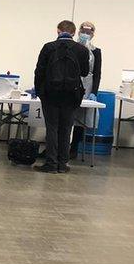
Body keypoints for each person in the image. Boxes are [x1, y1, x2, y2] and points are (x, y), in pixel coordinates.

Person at [33, 20, 90, 173]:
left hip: (51, 94)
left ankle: (51, 163)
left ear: (58, 31)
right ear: (73, 33)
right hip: (71, 96)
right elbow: (84, 72)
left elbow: (39, 71)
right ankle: (63, 164)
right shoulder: (82, 50)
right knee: (66, 129)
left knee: (52, 128)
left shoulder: (48, 47)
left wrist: (39, 92)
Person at [69, 21, 102, 159]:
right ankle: (58, 147)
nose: (85, 35)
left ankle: (74, 148)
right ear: (78, 32)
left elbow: (97, 73)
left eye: (88, 33)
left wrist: (94, 92)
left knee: (81, 119)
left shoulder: (96, 51)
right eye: (83, 32)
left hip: (87, 86)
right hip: (71, 83)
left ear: (93, 34)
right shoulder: (72, 47)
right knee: (66, 115)